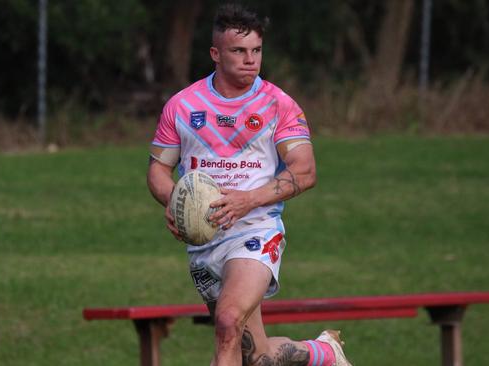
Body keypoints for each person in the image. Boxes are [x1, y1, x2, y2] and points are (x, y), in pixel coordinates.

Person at [147, 4, 352, 366]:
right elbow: (157, 172)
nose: (250, 60)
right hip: (205, 238)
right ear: (215, 53)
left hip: (256, 230)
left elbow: (304, 171)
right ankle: (324, 353)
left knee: (227, 323)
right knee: (254, 355)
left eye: (256, 51)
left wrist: (248, 200)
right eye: (238, 51)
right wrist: (174, 199)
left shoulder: (278, 105)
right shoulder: (182, 106)